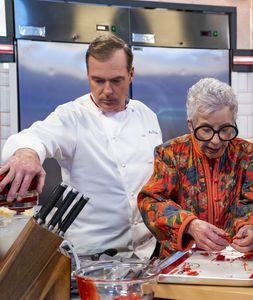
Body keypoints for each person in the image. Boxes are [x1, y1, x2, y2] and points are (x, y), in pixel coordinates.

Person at [0, 34, 162, 259]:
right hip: (93, 257)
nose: (107, 90)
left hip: (148, 252)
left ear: (131, 74)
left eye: (116, 80)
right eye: (98, 80)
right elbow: (35, 136)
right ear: (88, 76)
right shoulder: (72, 116)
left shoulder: (147, 115)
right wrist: (27, 153)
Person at [138, 78, 253, 257]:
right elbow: (151, 202)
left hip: (236, 256)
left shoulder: (247, 154)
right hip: (183, 258)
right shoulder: (170, 154)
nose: (216, 140)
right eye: (206, 130)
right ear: (191, 124)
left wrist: (250, 226)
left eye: (226, 129)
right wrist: (190, 225)